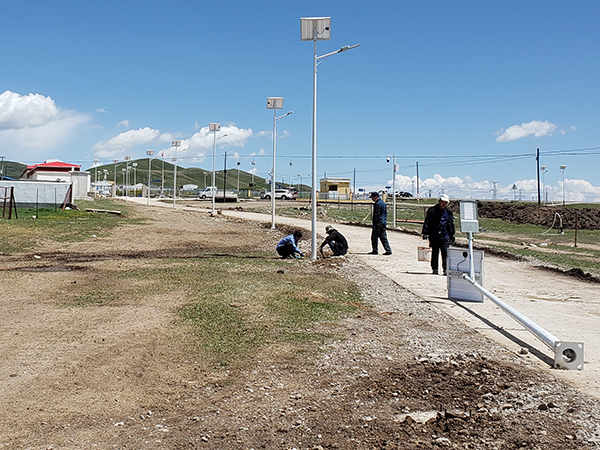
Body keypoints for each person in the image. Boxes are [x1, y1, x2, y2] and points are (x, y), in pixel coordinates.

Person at [422, 194, 455, 275]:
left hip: (445, 236)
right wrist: (425, 232)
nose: (444, 204)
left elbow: (451, 224)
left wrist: (452, 235)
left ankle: (446, 269)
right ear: (439, 201)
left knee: (445, 253)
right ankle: (435, 268)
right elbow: (427, 222)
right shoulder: (432, 210)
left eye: (446, 202)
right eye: (443, 202)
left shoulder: (448, 212)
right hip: (434, 235)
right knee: (435, 252)